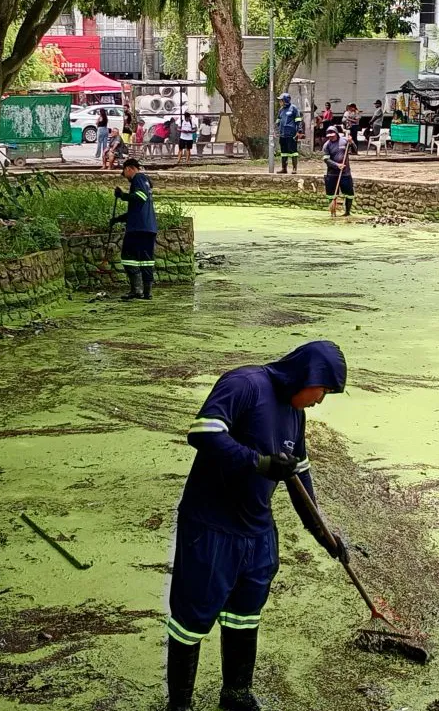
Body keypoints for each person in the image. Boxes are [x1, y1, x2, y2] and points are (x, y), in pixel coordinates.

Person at [165, 341, 349, 711]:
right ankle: (180, 705)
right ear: (307, 376)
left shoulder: (295, 414)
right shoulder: (245, 384)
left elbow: (299, 480)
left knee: (245, 614)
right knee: (192, 619)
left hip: (257, 531)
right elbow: (202, 432)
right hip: (211, 526)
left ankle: (236, 695)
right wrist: (259, 462)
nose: (320, 400)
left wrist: (325, 536)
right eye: (323, 390)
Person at [108, 158, 155, 300]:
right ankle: (147, 292)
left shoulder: (138, 178)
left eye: (125, 173)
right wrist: (118, 219)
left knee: (128, 257)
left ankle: (136, 290)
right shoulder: (146, 182)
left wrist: (122, 195)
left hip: (137, 229)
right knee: (146, 260)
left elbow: (140, 197)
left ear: (128, 168)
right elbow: (136, 210)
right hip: (148, 227)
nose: (126, 178)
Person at [321, 126, 354, 218]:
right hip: (332, 173)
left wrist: (351, 143)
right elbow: (326, 159)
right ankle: (333, 212)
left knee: (349, 193)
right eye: (329, 136)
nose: (331, 137)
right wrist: (337, 165)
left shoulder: (345, 141)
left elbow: (355, 150)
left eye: (332, 136)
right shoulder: (326, 145)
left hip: (345, 173)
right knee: (331, 195)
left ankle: (347, 212)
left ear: (336, 134)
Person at [276, 93, 303, 174]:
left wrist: (299, 131)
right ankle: (284, 168)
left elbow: (298, 121)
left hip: (291, 134)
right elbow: (278, 121)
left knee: (293, 152)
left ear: (285, 100)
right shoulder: (281, 110)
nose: (280, 102)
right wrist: (277, 130)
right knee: (283, 152)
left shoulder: (293, 108)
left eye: (281, 100)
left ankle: (294, 169)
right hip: (282, 134)